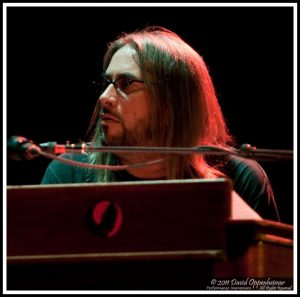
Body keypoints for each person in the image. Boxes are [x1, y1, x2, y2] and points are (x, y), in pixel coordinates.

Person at [41, 26, 280, 221]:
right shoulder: (69, 172)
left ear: (172, 101)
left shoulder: (239, 178)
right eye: (107, 83)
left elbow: (264, 278)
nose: (104, 98)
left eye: (126, 83)